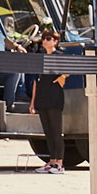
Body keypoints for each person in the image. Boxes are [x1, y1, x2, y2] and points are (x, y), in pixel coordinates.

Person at [29, 29, 69, 174]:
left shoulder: (59, 56)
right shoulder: (40, 57)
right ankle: (51, 162)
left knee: (56, 131)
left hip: (55, 98)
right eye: (44, 39)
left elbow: (68, 71)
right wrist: (32, 103)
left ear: (55, 41)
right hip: (42, 97)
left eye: (48, 39)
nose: (45, 41)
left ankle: (59, 163)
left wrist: (62, 77)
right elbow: (35, 81)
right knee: (48, 132)